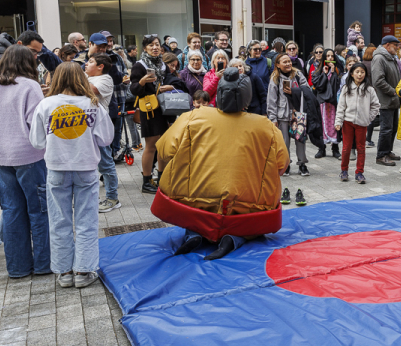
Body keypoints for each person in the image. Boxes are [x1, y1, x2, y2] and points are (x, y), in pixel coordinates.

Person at [153, 66, 289, 260]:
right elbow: (281, 166)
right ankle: (234, 237)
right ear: (247, 97)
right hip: (247, 206)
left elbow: (164, 151)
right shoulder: (265, 126)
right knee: (247, 223)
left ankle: (194, 234)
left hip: (194, 200)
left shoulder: (193, 117)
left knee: (195, 216)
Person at [31, 62, 114, 289]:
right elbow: (106, 138)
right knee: (87, 220)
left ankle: (64, 272)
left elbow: (37, 141)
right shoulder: (93, 105)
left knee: (59, 221)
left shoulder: (46, 104)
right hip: (86, 167)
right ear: (81, 78)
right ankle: (83, 271)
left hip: (56, 167)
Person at [0, 45, 50, 278]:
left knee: (12, 210)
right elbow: (36, 123)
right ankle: (44, 264)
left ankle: (17, 268)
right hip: (30, 155)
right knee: (38, 210)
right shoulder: (30, 85)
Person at [129, 35, 175, 194]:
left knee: (163, 144)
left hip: (165, 108)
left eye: (157, 45)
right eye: (151, 45)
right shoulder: (139, 66)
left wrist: (169, 86)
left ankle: (161, 178)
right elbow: (133, 90)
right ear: (145, 48)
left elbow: (174, 81)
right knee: (151, 145)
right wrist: (142, 81)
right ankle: (147, 181)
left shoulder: (163, 65)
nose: (155, 48)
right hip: (149, 110)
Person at [84, 53, 121, 213]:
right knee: (89, 165)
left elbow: (91, 90)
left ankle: (113, 198)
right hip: (84, 128)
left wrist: (72, 77)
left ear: (100, 67)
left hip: (99, 128)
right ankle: (93, 198)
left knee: (105, 164)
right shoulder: (84, 76)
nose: (86, 64)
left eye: (90, 61)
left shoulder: (105, 79)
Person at [335, 61, 379, 184]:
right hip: (348, 122)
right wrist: (338, 121)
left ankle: (359, 172)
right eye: (357, 72)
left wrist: (368, 118)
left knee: (361, 148)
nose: (360, 75)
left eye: (362, 72)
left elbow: (376, 105)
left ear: (365, 74)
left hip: (362, 124)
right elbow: (341, 106)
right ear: (352, 73)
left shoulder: (369, 89)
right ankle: (344, 170)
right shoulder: (346, 88)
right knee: (346, 148)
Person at [268, 53, 311, 177]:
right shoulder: (275, 78)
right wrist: (273, 118)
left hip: (298, 113)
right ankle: (286, 164)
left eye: (289, 61)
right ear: (277, 64)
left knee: (300, 140)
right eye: (285, 62)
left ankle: (302, 164)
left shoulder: (297, 75)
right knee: (284, 142)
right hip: (282, 114)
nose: (288, 64)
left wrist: (294, 91)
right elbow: (271, 100)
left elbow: (307, 90)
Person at [312, 46, 343, 159]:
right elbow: (319, 86)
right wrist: (324, 74)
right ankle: (322, 148)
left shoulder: (338, 71)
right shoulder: (318, 71)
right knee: (322, 124)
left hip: (333, 102)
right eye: (328, 56)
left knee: (335, 124)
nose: (330, 58)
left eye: (332, 56)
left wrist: (333, 72)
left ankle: (335, 148)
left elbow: (336, 86)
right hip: (322, 102)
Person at [245, 40, 271, 115]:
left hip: (265, 98)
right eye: (255, 49)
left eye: (260, 49)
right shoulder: (244, 64)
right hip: (251, 101)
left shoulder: (267, 62)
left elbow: (273, 79)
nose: (258, 51)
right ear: (249, 51)